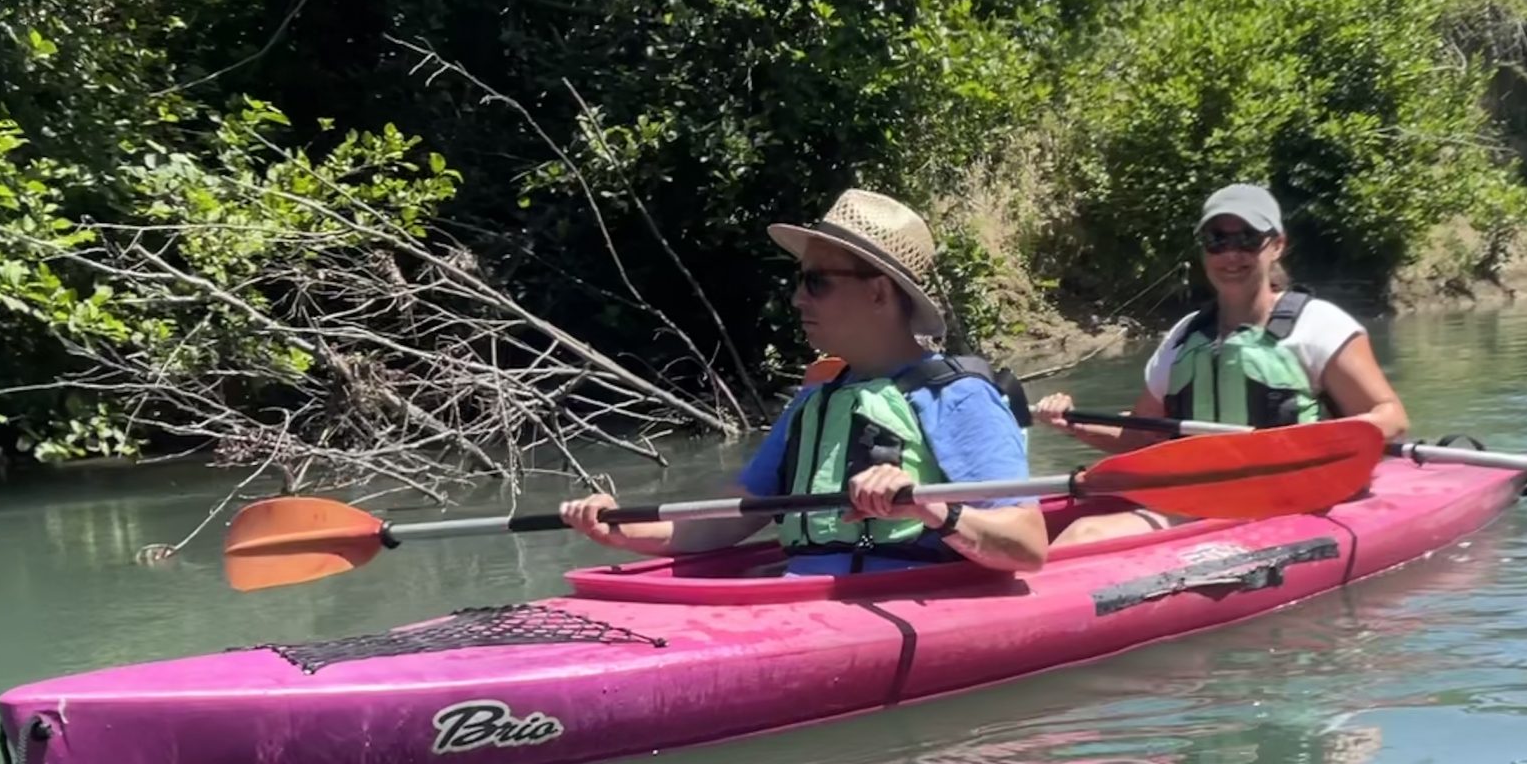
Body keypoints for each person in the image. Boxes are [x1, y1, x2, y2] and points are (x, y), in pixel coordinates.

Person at [560, 189, 1047, 575]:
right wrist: (623, 528)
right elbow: (734, 516)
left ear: (878, 291)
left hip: (901, 598)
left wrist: (931, 510)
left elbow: (1027, 546)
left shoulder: (958, 397)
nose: (797, 298)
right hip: (804, 602)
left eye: (817, 282)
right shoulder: (817, 396)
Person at [1033, 183, 1410, 546]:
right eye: (1217, 240)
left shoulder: (1318, 326)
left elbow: (1390, 418)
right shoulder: (1184, 336)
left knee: (1087, 535)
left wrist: (1309, 442)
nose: (1231, 254)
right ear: (1204, 251)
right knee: (1081, 532)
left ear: (1277, 245)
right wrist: (1074, 423)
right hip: (1200, 503)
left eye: (1247, 239)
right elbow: (1141, 437)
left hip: (1289, 506)